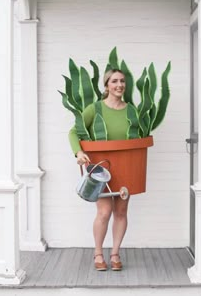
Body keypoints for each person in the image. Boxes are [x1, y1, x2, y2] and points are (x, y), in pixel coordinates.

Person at [69, 69, 130, 271]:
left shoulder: (131, 110)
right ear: (106, 86)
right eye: (114, 81)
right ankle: (97, 253)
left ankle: (114, 254)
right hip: (101, 169)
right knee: (104, 212)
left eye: (122, 81)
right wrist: (78, 152)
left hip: (124, 167)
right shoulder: (94, 109)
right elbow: (73, 132)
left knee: (121, 212)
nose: (119, 85)